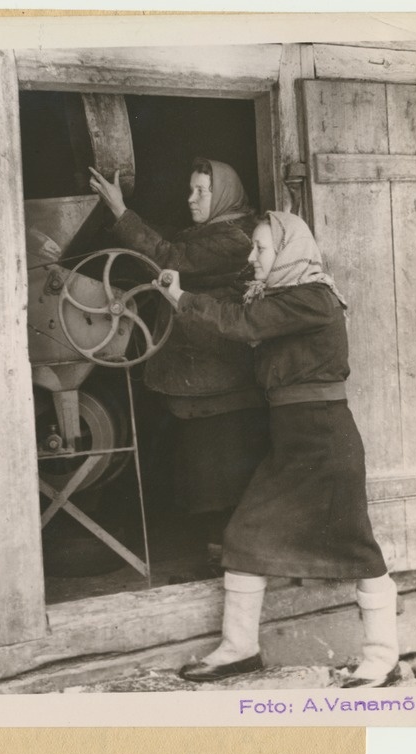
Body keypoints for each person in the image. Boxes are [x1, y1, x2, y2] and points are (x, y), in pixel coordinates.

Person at [155, 211, 400, 688]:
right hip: (292, 440)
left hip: (325, 440)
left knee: (357, 547)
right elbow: (240, 316)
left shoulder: (314, 298)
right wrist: (184, 297)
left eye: (262, 249)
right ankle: (240, 649)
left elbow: (243, 324)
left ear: (289, 250)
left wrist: (183, 297)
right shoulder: (278, 299)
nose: (253, 257)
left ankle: (382, 656)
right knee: (244, 536)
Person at [89, 159, 270, 569]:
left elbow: (171, 255)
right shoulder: (213, 231)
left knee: (220, 479)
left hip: (219, 381)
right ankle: (221, 561)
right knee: (206, 476)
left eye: (201, 191)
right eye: (191, 189)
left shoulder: (235, 239)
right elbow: (172, 240)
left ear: (222, 194)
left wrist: (121, 212)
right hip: (201, 380)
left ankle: (232, 566)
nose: (191, 199)